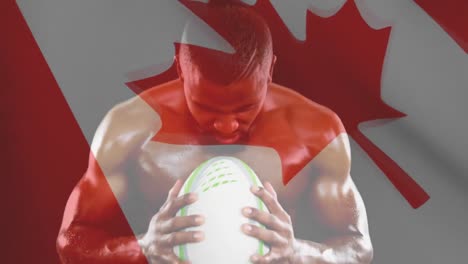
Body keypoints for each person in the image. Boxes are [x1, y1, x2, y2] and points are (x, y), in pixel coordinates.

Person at [56, 2, 373, 263]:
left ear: (270, 72)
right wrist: (142, 247)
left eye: (245, 108)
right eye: (206, 107)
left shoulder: (317, 133)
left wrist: (298, 253)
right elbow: (70, 242)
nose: (226, 127)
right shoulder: (129, 130)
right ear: (181, 70)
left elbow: (358, 249)